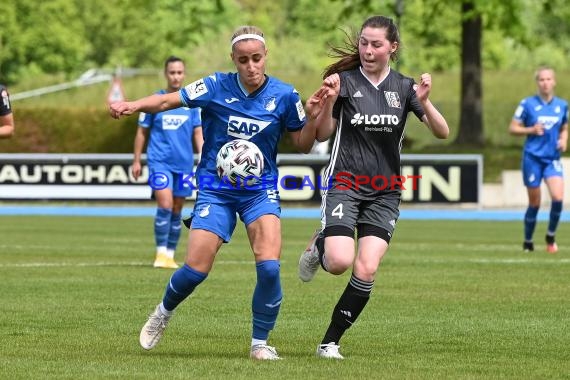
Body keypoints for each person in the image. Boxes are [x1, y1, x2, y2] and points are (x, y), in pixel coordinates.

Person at [110, 26, 324, 360]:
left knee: (269, 266)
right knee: (196, 269)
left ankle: (259, 343)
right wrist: (134, 104)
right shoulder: (214, 86)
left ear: (265, 57)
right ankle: (163, 312)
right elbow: (168, 100)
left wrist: (312, 119)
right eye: (243, 60)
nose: (251, 66)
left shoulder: (284, 95)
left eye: (256, 58)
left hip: (259, 189)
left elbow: (303, 144)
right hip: (215, 188)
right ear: (233, 60)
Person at [298, 15, 449, 359]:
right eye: (363, 42)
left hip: (385, 191)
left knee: (366, 268)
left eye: (376, 44)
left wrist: (424, 100)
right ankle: (321, 243)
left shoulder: (405, 88)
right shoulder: (343, 82)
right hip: (345, 183)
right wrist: (329, 103)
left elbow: (442, 131)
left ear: (392, 48)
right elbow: (321, 134)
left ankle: (329, 343)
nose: (367, 49)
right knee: (338, 262)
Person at [133, 56, 203, 269]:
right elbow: (141, 133)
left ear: (184, 74)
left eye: (179, 72)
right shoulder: (156, 101)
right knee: (164, 204)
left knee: (177, 209)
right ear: (166, 74)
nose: (176, 76)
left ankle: (170, 255)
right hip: (159, 162)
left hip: (183, 164)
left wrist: (203, 157)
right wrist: (136, 160)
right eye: (172, 72)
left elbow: (198, 133)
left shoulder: (192, 104)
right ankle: (160, 253)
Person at [508, 66, 568, 254]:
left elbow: (564, 126)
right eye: (542, 79)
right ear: (537, 82)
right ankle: (528, 241)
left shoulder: (562, 105)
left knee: (558, 199)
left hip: (552, 159)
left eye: (549, 79)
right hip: (532, 158)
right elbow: (513, 128)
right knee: (535, 203)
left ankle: (550, 236)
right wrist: (530, 130)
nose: (545, 83)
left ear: (554, 82)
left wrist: (564, 139)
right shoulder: (527, 104)